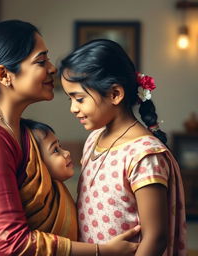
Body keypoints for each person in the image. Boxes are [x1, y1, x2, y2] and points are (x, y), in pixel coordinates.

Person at [0, 20, 140, 256]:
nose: (52, 68)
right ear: (4, 75)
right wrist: (101, 251)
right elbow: (12, 243)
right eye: (41, 61)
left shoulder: (17, 128)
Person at [59, 39, 187, 256]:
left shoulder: (144, 155)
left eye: (79, 99)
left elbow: (155, 238)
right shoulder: (94, 138)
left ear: (115, 94)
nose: (73, 108)